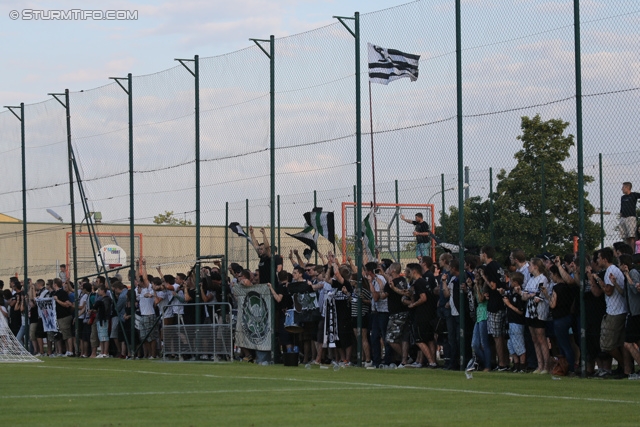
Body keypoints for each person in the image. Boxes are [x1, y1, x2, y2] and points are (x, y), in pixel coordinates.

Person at [595, 247, 627, 377]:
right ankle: (623, 367)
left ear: (604, 259)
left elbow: (609, 291)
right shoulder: (612, 269)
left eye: (598, 258)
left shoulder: (611, 270)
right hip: (617, 310)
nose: (597, 261)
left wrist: (598, 280)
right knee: (618, 343)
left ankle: (625, 365)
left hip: (615, 312)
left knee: (607, 345)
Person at [522, 258, 551, 374]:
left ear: (536, 267)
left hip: (539, 313)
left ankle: (546, 365)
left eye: (530, 265)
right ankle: (539, 365)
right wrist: (530, 295)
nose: (528, 267)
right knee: (534, 339)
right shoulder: (531, 280)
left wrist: (530, 295)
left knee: (541, 338)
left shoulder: (543, 279)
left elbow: (538, 298)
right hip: (530, 312)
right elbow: (524, 296)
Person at [549, 265, 576, 375]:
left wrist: (546, 295)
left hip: (559, 318)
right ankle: (569, 366)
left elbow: (552, 304)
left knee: (563, 345)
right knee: (567, 344)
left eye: (551, 274)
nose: (551, 277)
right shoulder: (568, 287)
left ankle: (568, 368)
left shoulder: (557, 288)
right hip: (568, 316)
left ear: (556, 274)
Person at [503, 272, 527, 373]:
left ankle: (522, 366)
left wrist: (509, 305)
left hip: (517, 322)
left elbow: (520, 311)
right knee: (511, 345)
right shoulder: (511, 292)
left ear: (516, 282)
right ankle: (516, 365)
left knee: (519, 345)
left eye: (511, 281)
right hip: (509, 321)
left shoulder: (520, 293)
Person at [619, 182, 640, 248]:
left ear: (627, 188)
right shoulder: (623, 197)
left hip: (630, 217)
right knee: (626, 237)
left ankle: (632, 252)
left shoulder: (634, 195)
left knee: (631, 236)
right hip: (623, 217)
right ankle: (627, 251)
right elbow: (621, 208)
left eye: (623, 187)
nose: (622, 189)